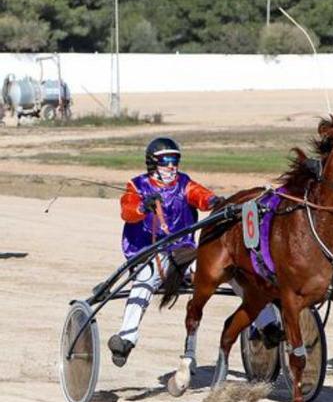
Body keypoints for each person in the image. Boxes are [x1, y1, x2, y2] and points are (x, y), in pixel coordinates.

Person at [107, 138, 280, 367]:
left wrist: (216, 201)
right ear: (153, 163)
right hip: (147, 251)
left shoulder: (183, 183)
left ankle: (267, 323)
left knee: (227, 271)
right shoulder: (137, 186)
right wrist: (142, 206)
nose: (172, 166)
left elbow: (200, 196)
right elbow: (127, 211)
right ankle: (127, 338)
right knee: (145, 279)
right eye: (166, 161)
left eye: (175, 160)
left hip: (183, 251)